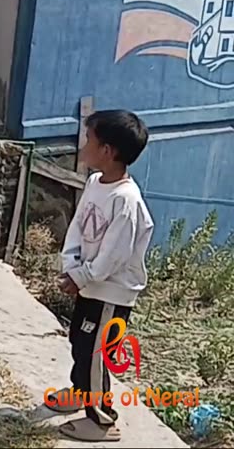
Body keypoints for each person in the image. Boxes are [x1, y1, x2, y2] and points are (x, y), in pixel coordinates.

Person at [54, 110, 153, 443]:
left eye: (89, 141)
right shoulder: (96, 183)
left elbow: (113, 257)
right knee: (80, 345)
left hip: (110, 294)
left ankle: (101, 420)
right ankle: (81, 392)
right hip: (90, 286)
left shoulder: (126, 202)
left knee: (94, 355)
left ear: (107, 151)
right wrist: (72, 268)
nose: (83, 147)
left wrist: (82, 276)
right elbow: (78, 229)